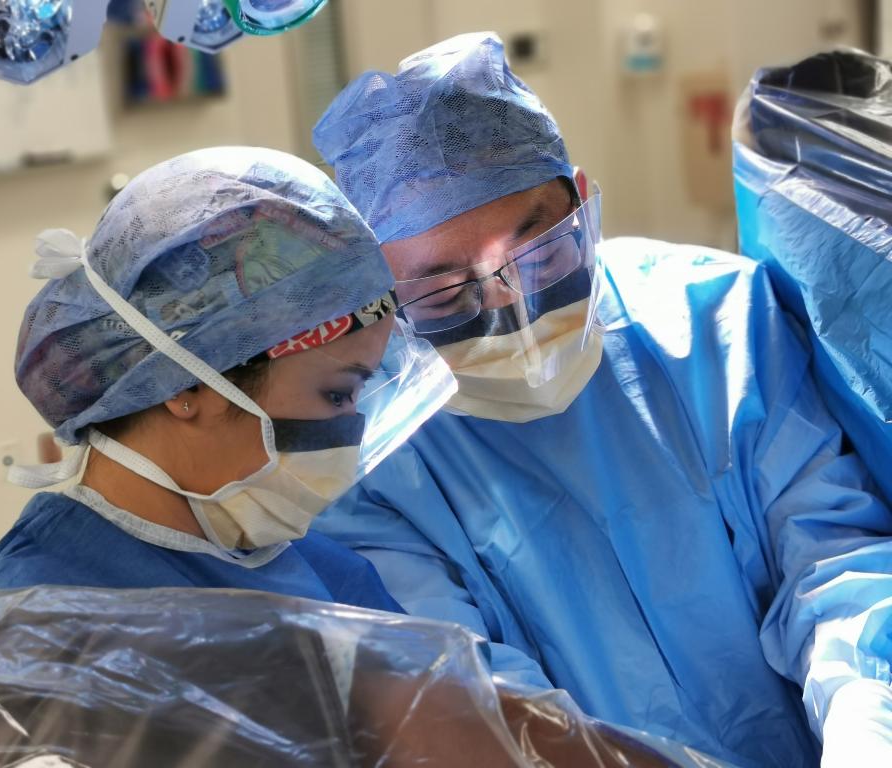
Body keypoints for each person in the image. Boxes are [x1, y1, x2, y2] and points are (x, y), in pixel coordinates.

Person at [312, 32, 892, 768]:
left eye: (540, 253)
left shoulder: (720, 319)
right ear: (387, 299)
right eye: (447, 290)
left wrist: (867, 723)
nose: (511, 308)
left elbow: (831, 557)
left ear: (583, 203)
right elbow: (467, 699)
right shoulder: (376, 461)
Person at [0, 146, 455, 611]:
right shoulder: (28, 625)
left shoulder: (322, 577)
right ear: (186, 385)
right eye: (337, 394)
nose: (353, 428)